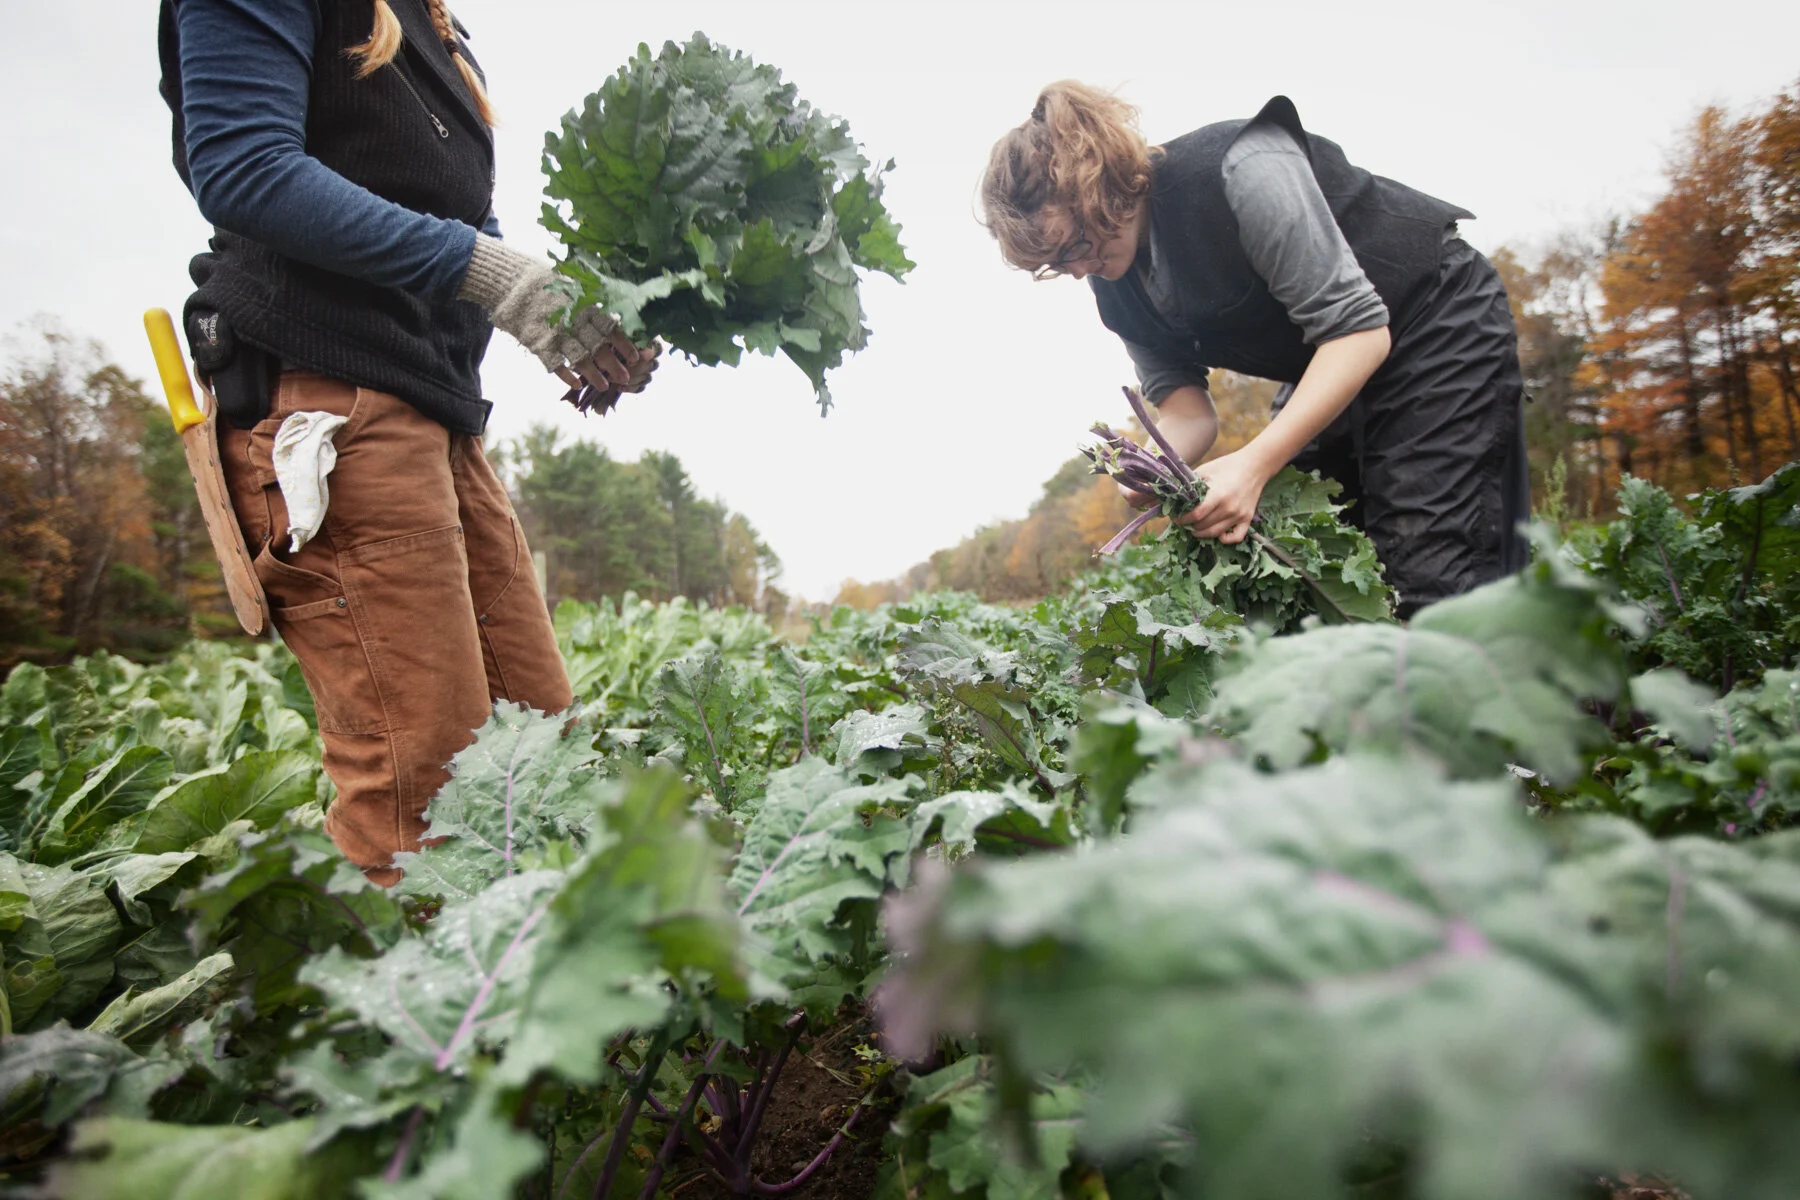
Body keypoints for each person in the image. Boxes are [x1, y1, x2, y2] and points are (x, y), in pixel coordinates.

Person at [157, 0, 657, 884]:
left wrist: (568, 319)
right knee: (422, 798)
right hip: (329, 414)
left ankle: (532, 968)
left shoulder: (435, 27)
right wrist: (496, 278)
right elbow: (246, 169)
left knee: (540, 753)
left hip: (436, 414)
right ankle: (409, 975)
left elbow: (461, 223)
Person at [980, 83, 1530, 617]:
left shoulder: (1240, 169)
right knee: (1307, 559)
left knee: (1430, 570)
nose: (1078, 270)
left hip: (1431, 319)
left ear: (1098, 186)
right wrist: (1154, 467)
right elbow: (1186, 412)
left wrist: (1253, 464)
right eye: (1056, 264)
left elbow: (1359, 331)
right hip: (1324, 360)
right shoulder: (1115, 284)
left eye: (1074, 244)